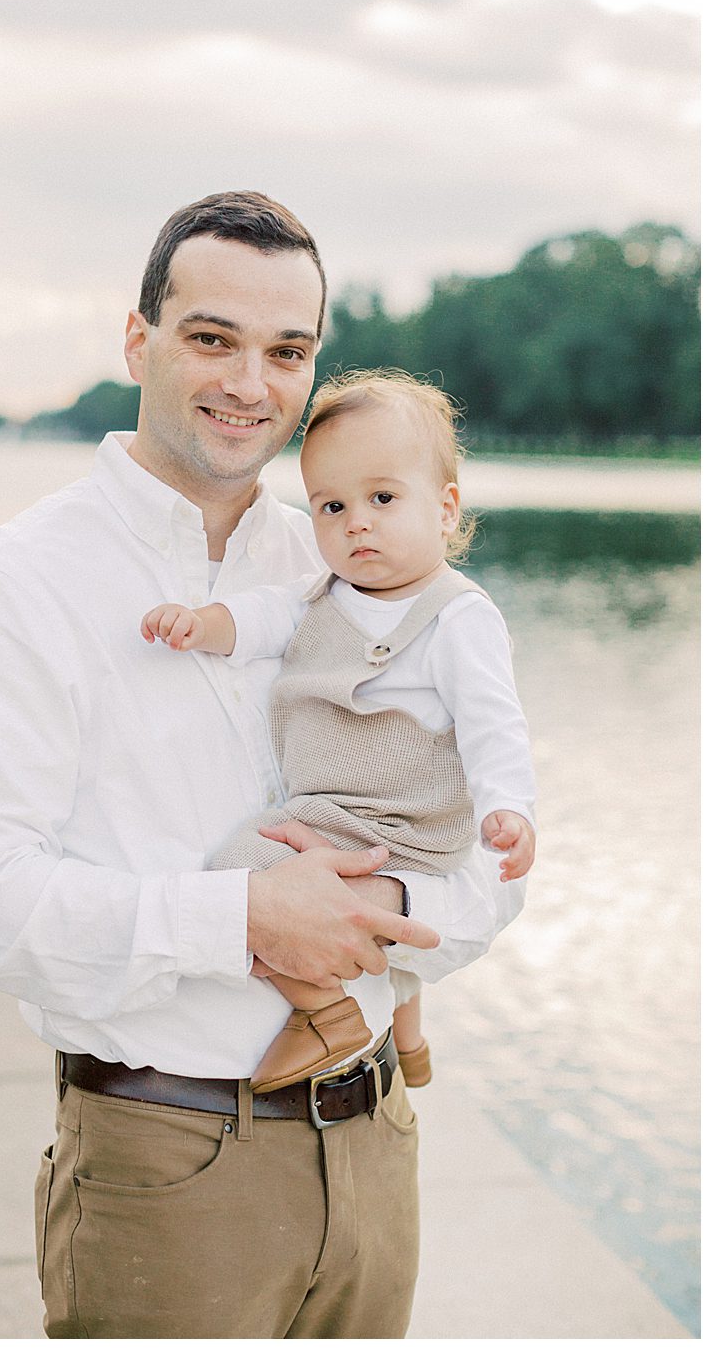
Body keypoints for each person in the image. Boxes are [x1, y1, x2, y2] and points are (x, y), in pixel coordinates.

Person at [0, 191, 526, 1338]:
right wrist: (242, 916)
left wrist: (396, 901)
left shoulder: (360, 556)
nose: (251, 381)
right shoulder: (19, 586)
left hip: (377, 1144)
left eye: (286, 350)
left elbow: (494, 844)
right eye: (212, 338)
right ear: (138, 338)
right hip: (170, 1163)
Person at [141, 368, 536, 1095]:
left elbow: (494, 725)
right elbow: (259, 617)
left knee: (235, 867)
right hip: (331, 811)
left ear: (446, 509)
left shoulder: (457, 615)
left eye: (383, 498)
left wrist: (509, 808)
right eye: (330, 505)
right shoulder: (321, 596)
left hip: (404, 822)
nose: (356, 521)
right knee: (272, 871)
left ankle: (326, 1012)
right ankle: (406, 1035)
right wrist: (203, 626)